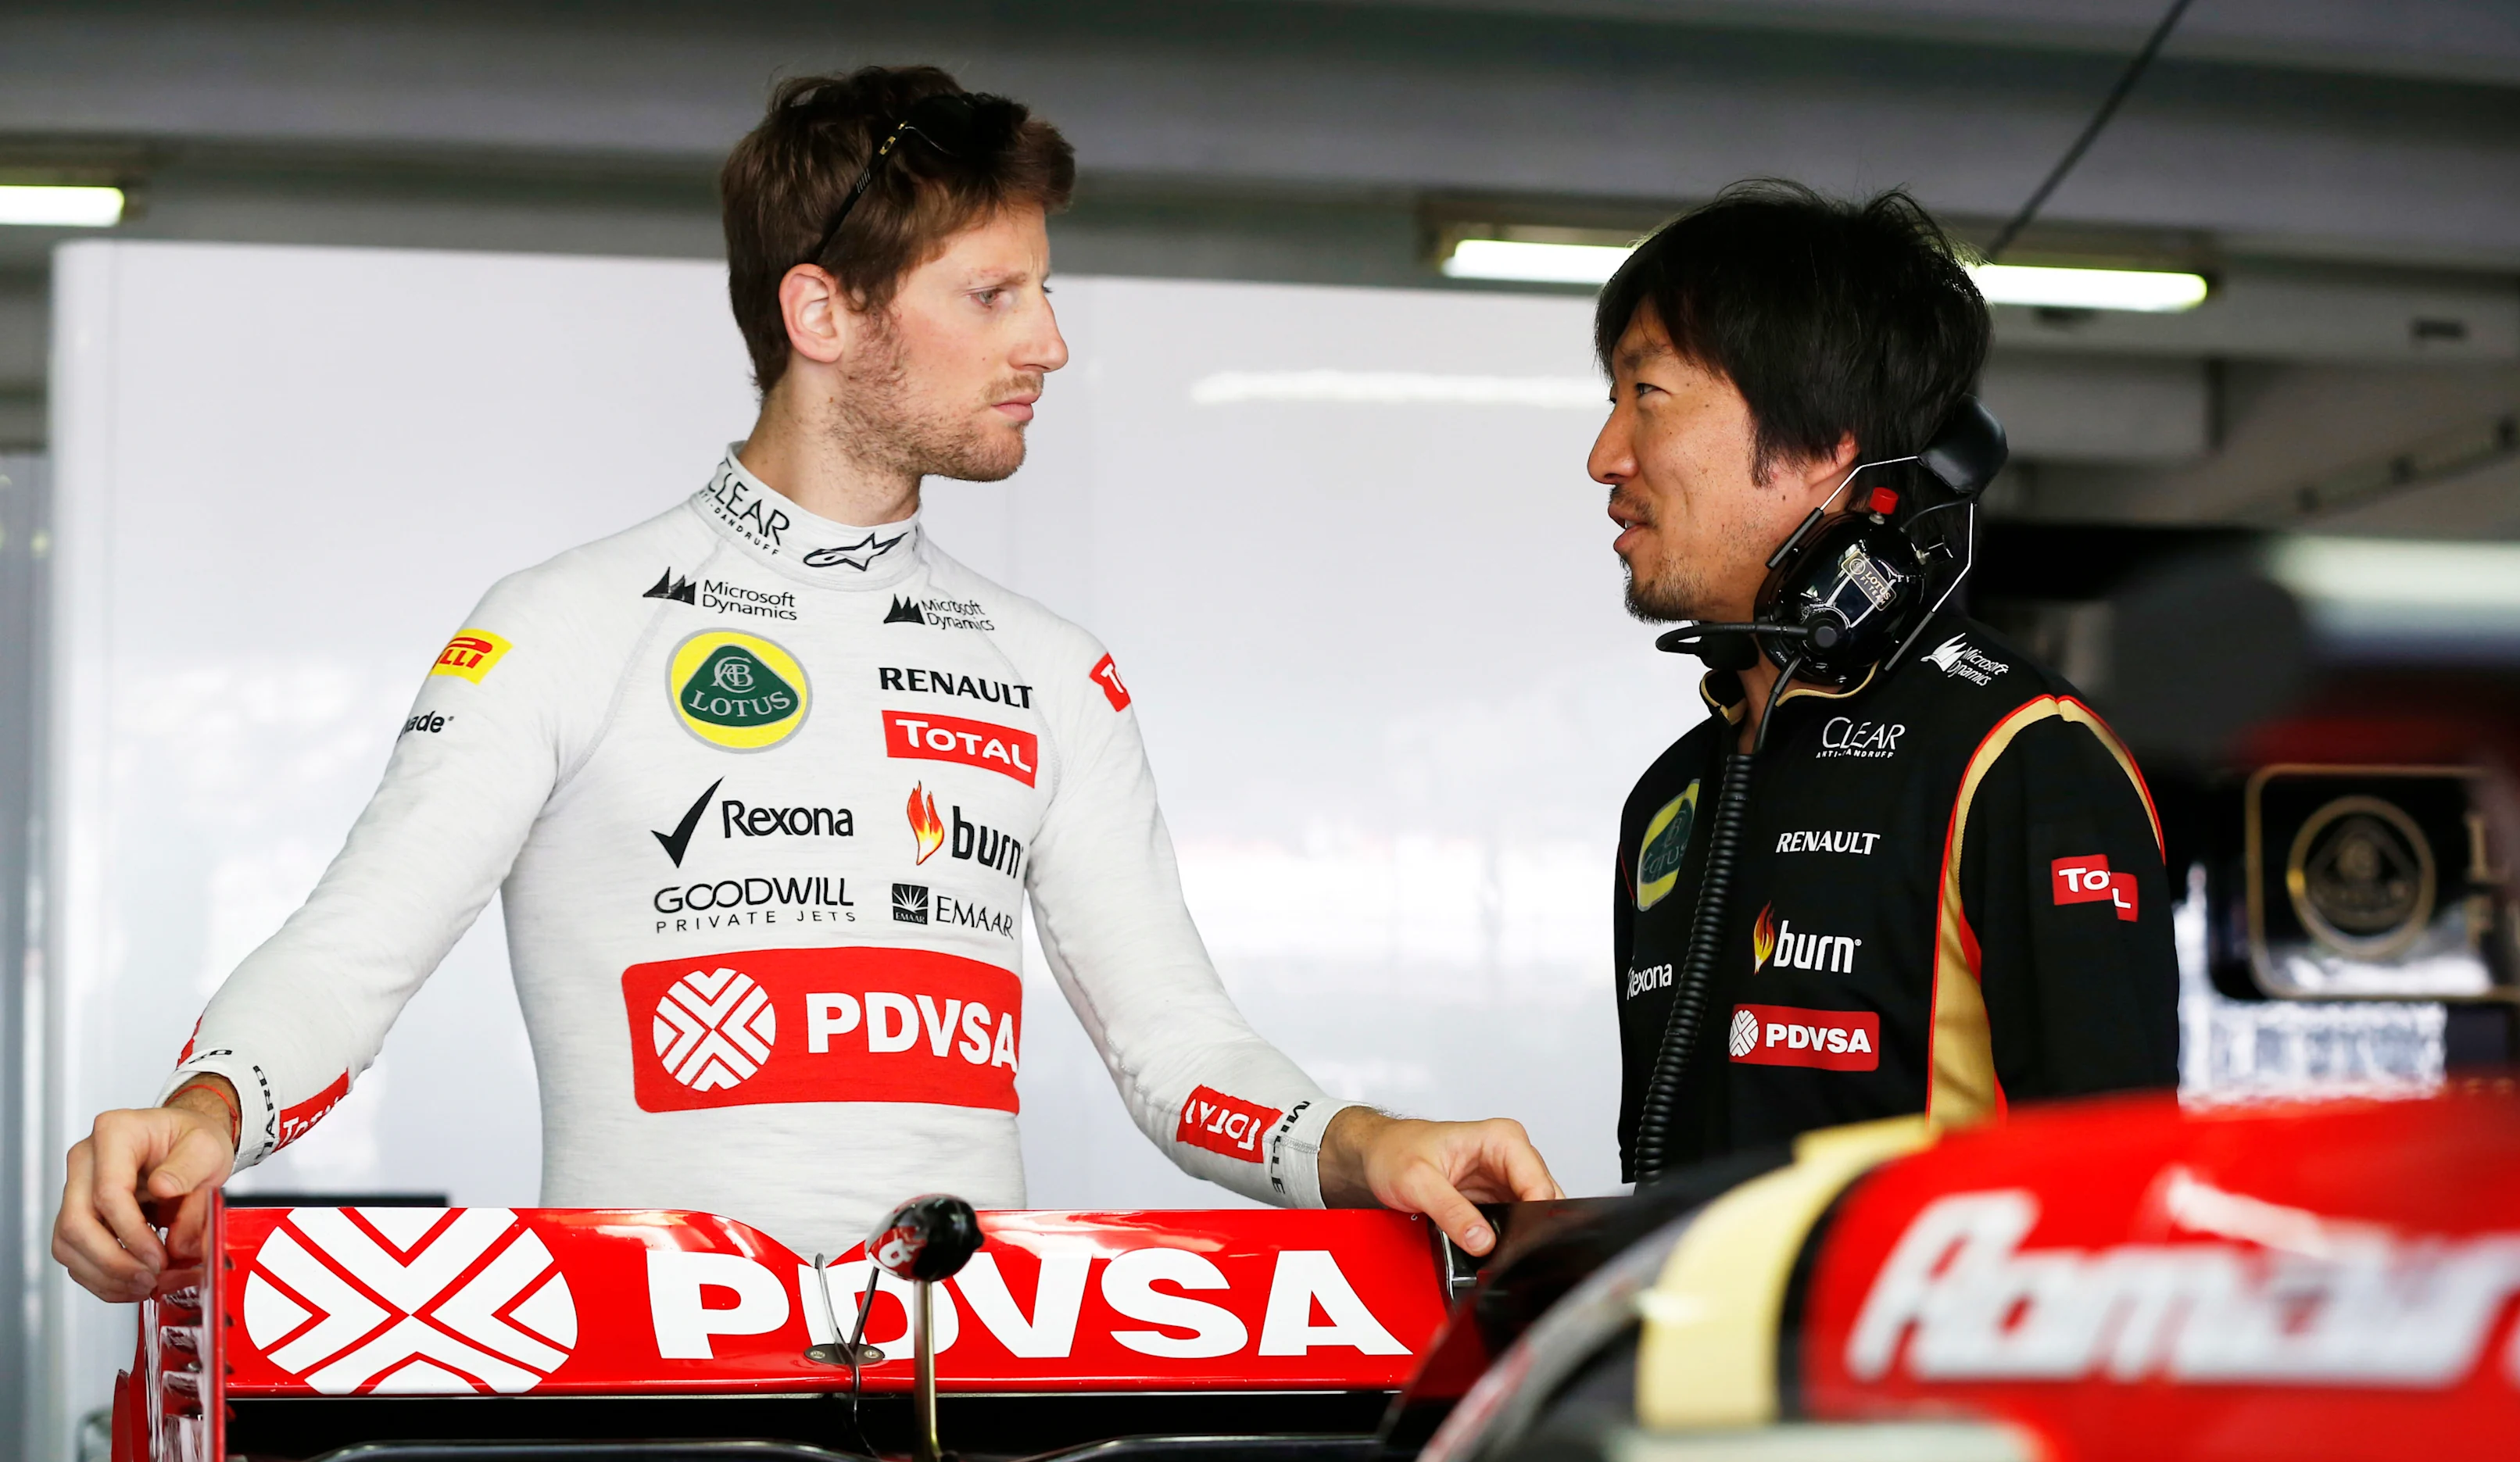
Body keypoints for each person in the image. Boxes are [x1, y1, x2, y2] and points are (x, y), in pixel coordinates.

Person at [55, 65, 1559, 1303]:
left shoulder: (1051, 673)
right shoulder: (563, 626)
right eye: (991, 295)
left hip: (968, 1408)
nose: (1049, 342)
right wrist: (201, 1114)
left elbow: (1180, 1057)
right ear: (823, 316)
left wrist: (1373, 1143)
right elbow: (352, 953)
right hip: (644, 1404)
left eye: (1040, 290)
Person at [1594, 183, 2178, 1182]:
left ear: (1826, 445)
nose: (1606, 456)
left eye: (1645, 397)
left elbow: (2116, 1206)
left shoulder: (2017, 756)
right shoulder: (1672, 794)